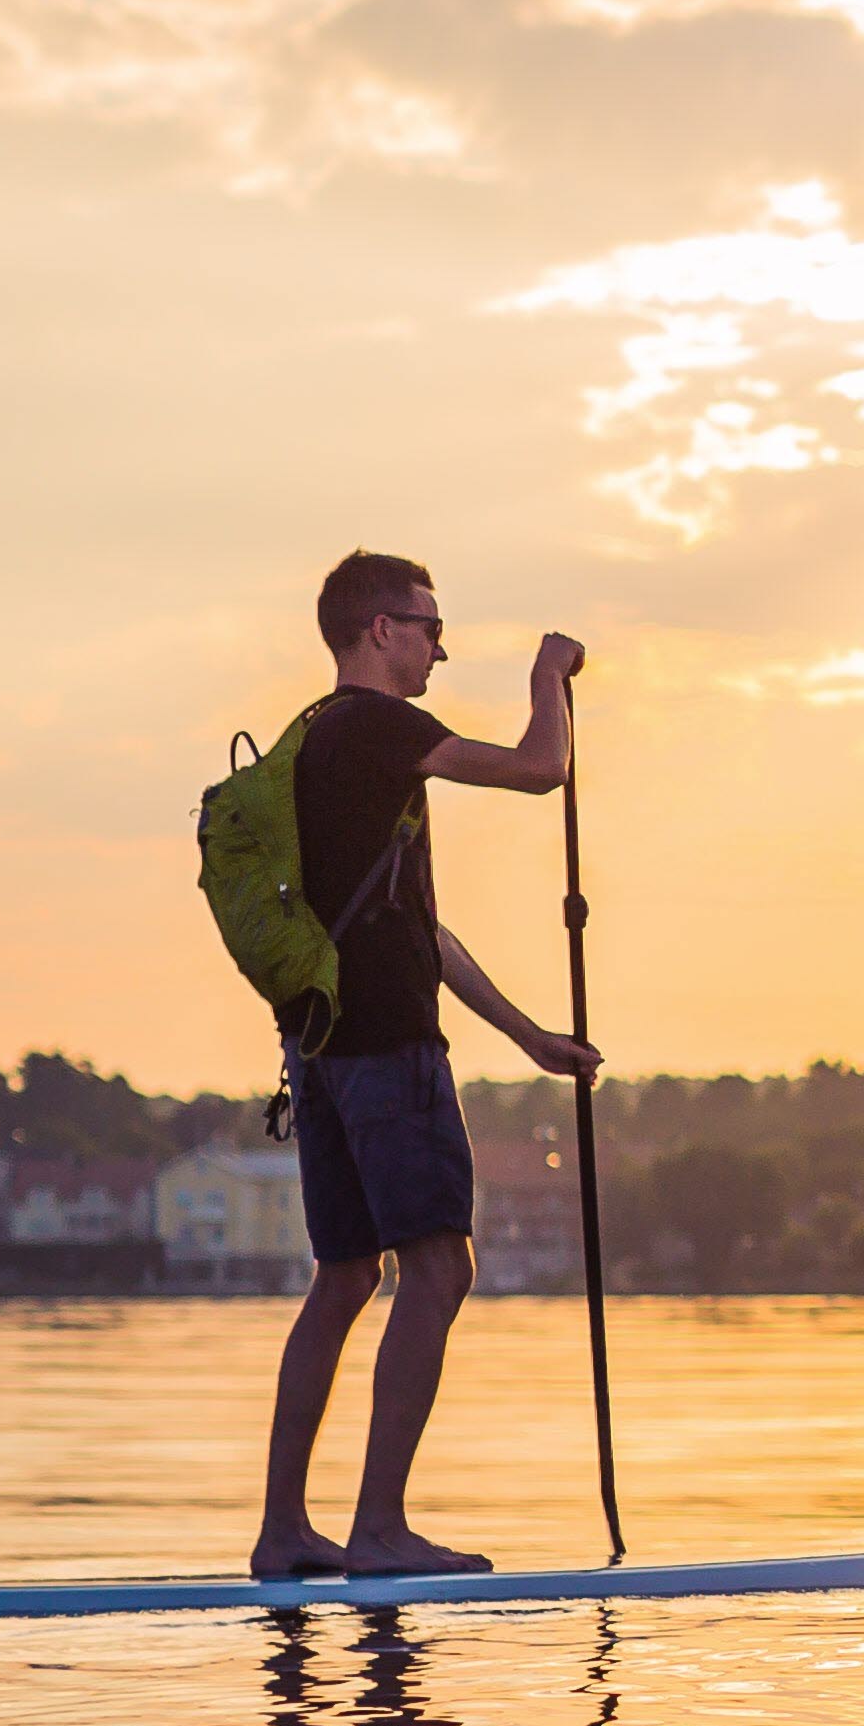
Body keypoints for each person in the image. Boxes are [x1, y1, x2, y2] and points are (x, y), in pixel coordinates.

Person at [253, 552, 599, 1579]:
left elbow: (413, 930)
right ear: (376, 630)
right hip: (385, 1053)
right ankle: (378, 1531)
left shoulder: (313, 740)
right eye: (427, 624)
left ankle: (284, 1532)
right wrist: (548, 678)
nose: (440, 645)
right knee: (440, 1266)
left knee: (348, 1275)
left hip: (318, 1050)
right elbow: (544, 770)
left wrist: (530, 1038)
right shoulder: (376, 728)